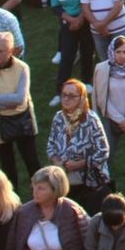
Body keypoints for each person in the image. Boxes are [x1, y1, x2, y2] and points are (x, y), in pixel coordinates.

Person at [0, 32, 39, 183]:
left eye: (1, 51)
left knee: (32, 162)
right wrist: (8, 102)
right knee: (7, 165)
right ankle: (12, 201)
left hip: (22, 121)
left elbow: (20, 99)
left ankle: (41, 194)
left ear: (11, 51)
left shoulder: (22, 68)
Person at [93, 35, 125, 201]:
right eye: (118, 52)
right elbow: (102, 98)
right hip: (112, 119)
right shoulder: (102, 69)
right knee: (107, 153)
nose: (122, 55)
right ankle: (105, 185)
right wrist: (120, 120)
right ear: (111, 52)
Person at [47, 79, 111, 216]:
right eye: (64, 94)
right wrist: (57, 162)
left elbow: (103, 151)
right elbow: (50, 146)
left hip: (89, 183)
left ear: (82, 98)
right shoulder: (58, 118)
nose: (66, 99)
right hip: (64, 181)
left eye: (71, 96)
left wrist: (80, 164)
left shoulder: (91, 119)